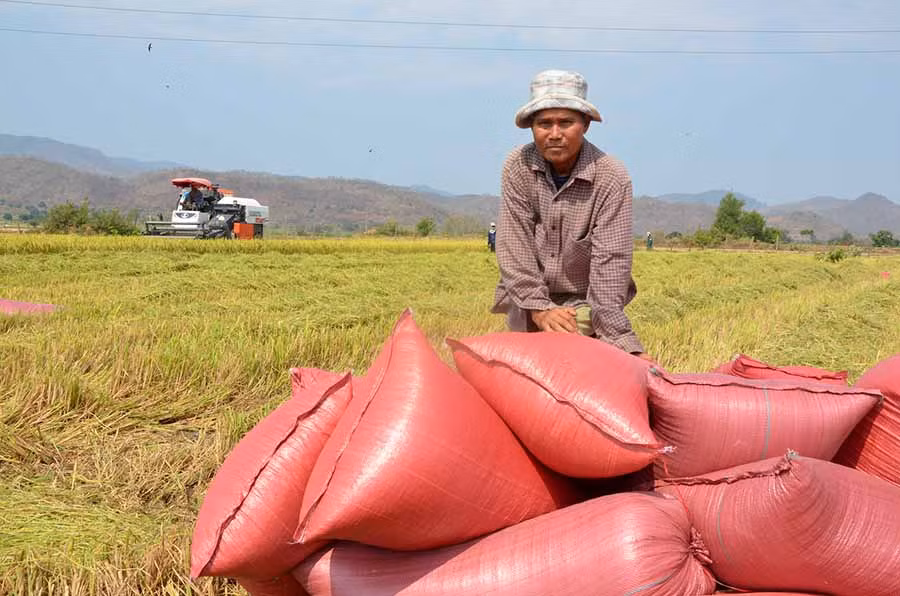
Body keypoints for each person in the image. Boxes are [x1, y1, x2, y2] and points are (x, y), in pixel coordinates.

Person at [491, 69, 654, 363]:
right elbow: (514, 246)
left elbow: (611, 265)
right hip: (527, 301)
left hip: (583, 305)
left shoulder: (611, 178)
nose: (554, 134)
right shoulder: (518, 167)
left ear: (586, 125)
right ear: (531, 127)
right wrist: (539, 309)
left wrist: (624, 343)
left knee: (573, 364)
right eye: (544, 124)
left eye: (565, 123)